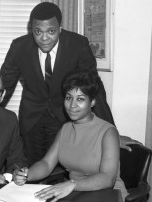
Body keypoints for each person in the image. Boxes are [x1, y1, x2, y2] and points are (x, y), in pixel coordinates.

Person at [0, 2, 138, 166]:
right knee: (33, 169)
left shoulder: (78, 45)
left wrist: (111, 133)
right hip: (32, 120)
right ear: (31, 29)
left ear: (60, 27)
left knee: (62, 171)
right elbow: (3, 86)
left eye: (51, 31)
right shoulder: (19, 47)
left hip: (64, 119)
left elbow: (94, 89)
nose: (44, 38)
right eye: (38, 32)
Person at [13, 68, 128, 202]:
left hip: (107, 196)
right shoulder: (65, 129)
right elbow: (46, 164)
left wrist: (72, 184)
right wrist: (26, 175)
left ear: (92, 102)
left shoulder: (108, 132)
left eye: (80, 99)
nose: (72, 105)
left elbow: (108, 178)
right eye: (69, 98)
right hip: (77, 195)